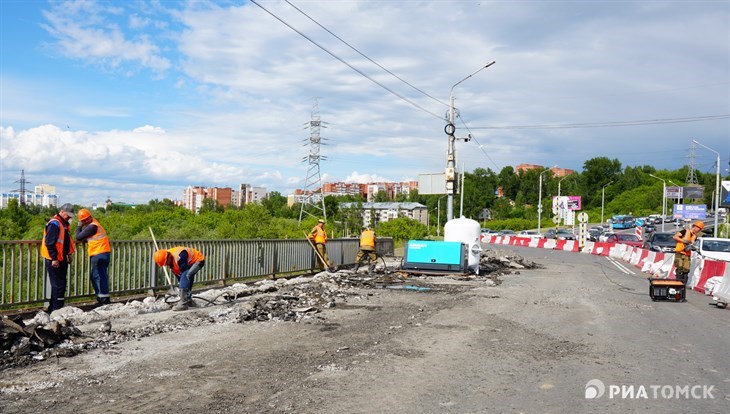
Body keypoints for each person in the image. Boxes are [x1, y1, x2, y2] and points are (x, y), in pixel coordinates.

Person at [41, 203, 76, 313]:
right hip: (55, 260)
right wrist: (54, 258)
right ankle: (57, 309)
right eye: (68, 215)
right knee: (58, 285)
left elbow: (65, 242)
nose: (69, 217)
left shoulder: (63, 224)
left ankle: (54, 308)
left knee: (59, 285)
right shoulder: (55, 223)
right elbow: (50, 243)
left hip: (61, 258)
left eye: (70, 216)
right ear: (61, 212)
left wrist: (69, 254)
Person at [75, 208, 111, 305]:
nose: (84, 222)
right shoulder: (95, 225)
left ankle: (104, 300)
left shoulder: (92, 227)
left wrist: (79, 226)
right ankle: (102, 298)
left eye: (83, 221)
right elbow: (89, 238)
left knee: (98, 276)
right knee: (96, 276)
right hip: (102, 253)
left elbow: (78, 237)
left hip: (99, 254)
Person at [153, 247, 205, 311]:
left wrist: (182, 288)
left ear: (168, 257)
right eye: (165, 264)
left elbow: (184, 274)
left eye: (166, 262)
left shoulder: (180, 256)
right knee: (186, 278)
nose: (166, 265)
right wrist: (181, 285)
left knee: (186, 275)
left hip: (198, 260)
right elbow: (179, 275)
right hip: (189, 262)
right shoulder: (170, 260)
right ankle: (188, 301)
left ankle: (183, 304)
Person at [672, 220, 704, 289]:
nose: (699, 231)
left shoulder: (695, 236)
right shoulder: (684, 231)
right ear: (695, 227)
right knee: (679, 268)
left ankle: (683, 284)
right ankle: (678, 284)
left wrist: (692, 247)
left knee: (686, 269)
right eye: (699, 229)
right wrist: (683, 241)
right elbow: (675, 237)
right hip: (680, 253)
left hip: (687, 254)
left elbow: (692, 244)